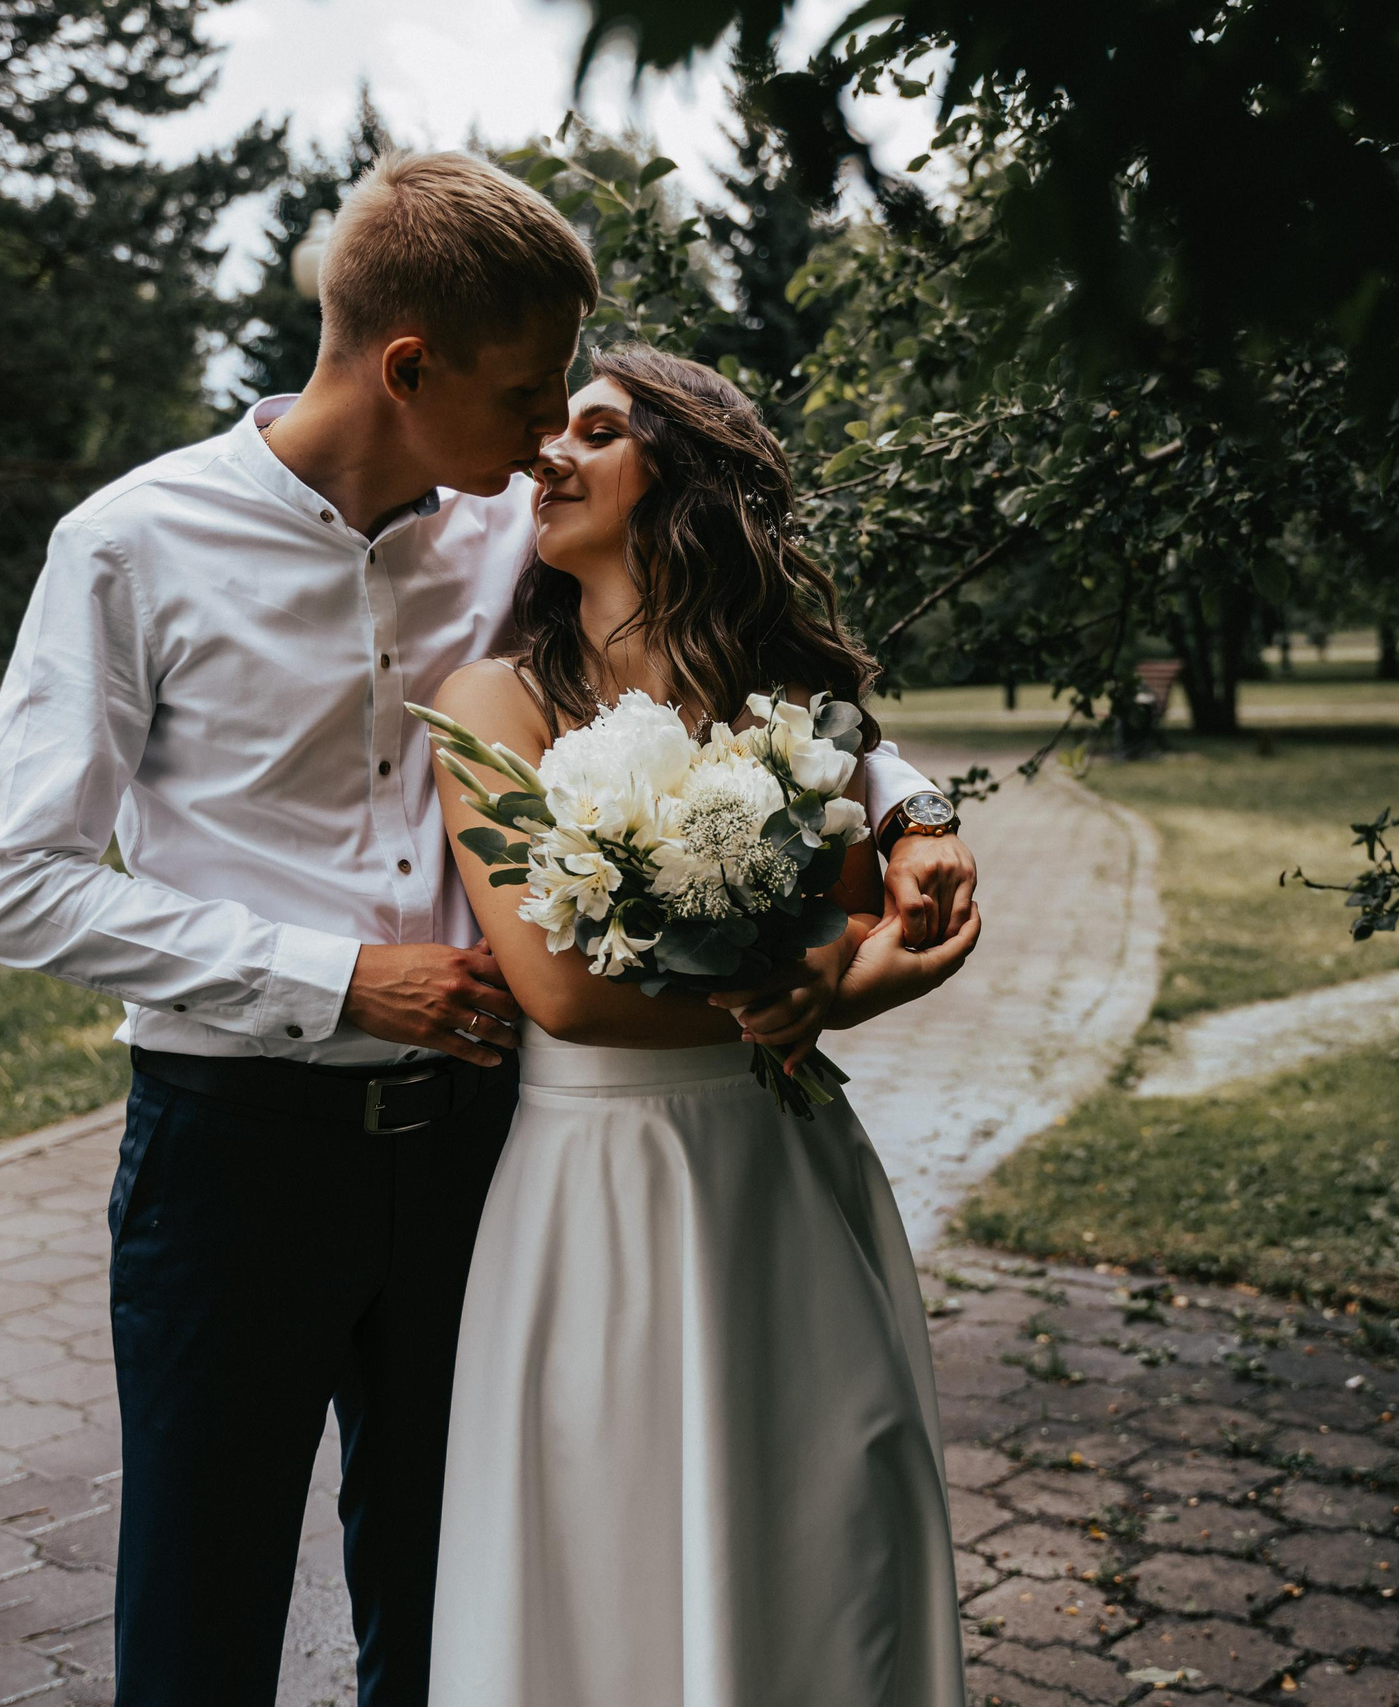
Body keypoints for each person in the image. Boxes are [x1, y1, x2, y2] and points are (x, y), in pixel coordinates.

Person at [0, 152, 978, 1705]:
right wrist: (340, 977)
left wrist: (906, 804)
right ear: (408, 369)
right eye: (527, 393)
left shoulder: (510, 524)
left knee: (456, 1607)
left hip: (479, 1154)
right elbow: (13, 883)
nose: (547, 434)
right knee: (199, 1610)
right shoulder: (128, 547)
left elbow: (721, 642)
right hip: (233, 1156)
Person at [422, 345, 974, 1705]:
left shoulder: (797, 713)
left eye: (595, 430)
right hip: (593, 1187)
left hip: (783, 1177)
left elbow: (894, 921)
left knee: (821, 1520)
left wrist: (900, 863)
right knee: (604, 1549)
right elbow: (561, 994)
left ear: (685, 477)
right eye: (548, 430)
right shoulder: (496, 704)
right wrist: (825, 988)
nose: (547, 452)